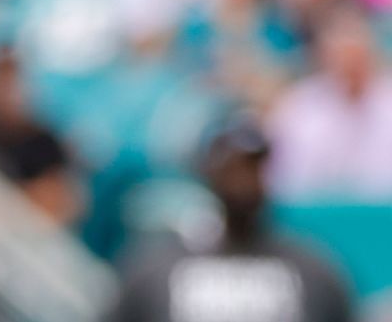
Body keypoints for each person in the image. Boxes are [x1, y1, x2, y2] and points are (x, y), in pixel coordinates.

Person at [106, 116, 354, 322]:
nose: (244, 183)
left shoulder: (313, 269)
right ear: (209, 173)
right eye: (233, 169)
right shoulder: (154, 267)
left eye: (253, 169)